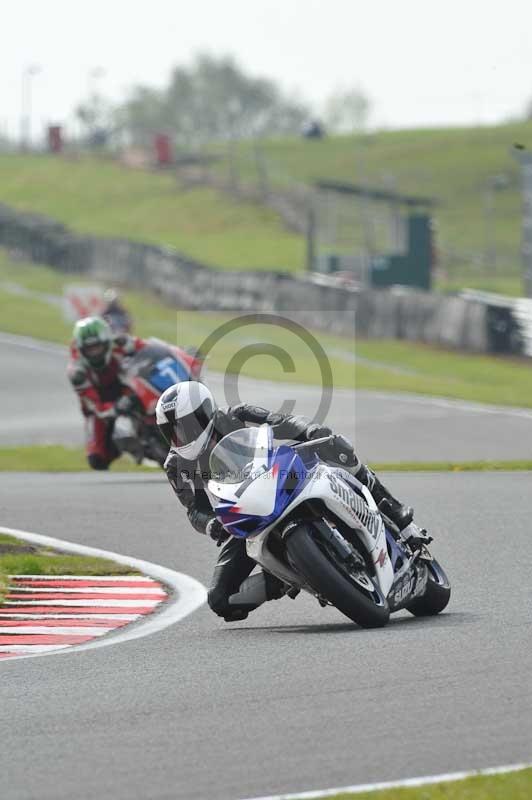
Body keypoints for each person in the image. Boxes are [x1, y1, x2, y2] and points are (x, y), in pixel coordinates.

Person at [156, 381, 427, 622]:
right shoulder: (176, 465)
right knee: (220, 599)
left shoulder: (236, 415)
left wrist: (310, 431)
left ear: (206, 414)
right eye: (173, 431)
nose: (182, 437)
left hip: (283, 477)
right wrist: (210, 524)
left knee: (338, 447)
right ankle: (283, 579)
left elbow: (282, 421)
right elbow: (193, 510)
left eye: (187, 427)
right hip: (245, 514)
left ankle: (394, 510)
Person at [68, 316, 147, 470]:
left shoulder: (119, 342)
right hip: (102, 403)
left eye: (97, 347)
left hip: (127, 386)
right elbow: (94, 406)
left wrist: (178, 354)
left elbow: (149, 349)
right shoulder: (77, 373)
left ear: (107, 342)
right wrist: (115, 407)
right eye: (89, 349)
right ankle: (123, 445)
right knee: (97, 460)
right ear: (81, 349)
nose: (95, 353)